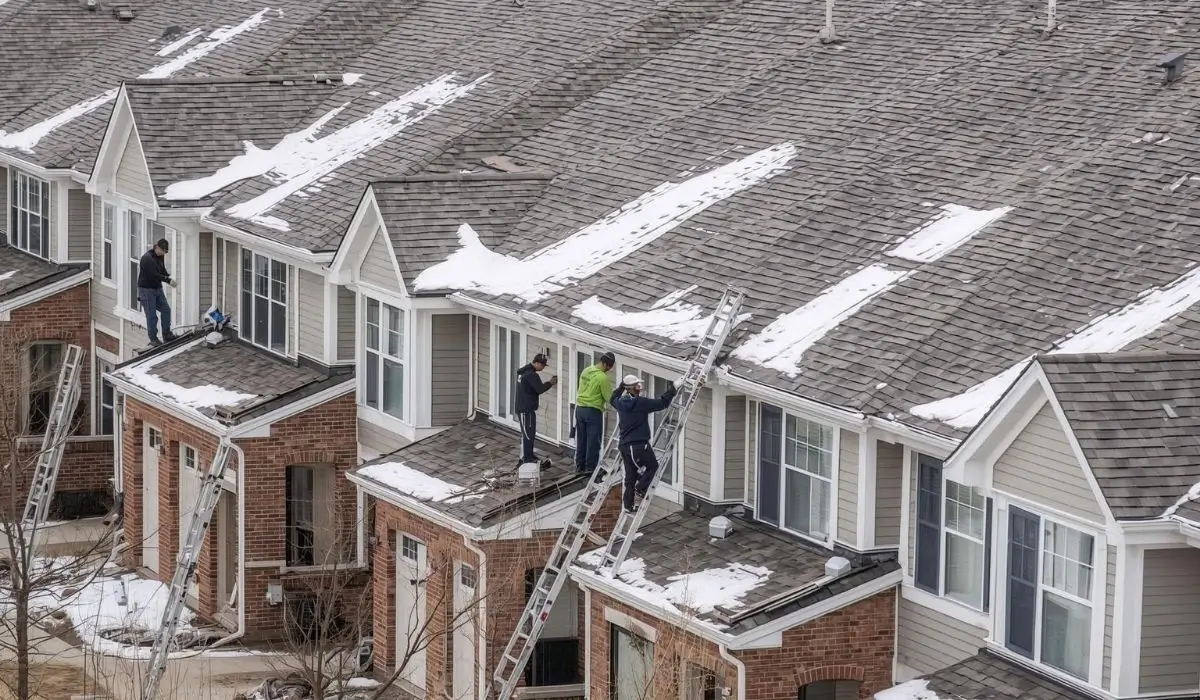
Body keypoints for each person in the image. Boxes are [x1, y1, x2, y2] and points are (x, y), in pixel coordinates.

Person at [611, 374, 680, 513]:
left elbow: (612, 398)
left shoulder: (620, 402)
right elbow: (662, 403)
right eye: (637, 386)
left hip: (624, 446)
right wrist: (673, 388)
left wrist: (621, 386)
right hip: (638, 445)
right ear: (632, 389)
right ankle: (640, 490)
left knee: (630, 476)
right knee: (652, 467)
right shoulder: (640, 403)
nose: (640, 388)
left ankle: (628, 505)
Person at [573, 351, 616, 473]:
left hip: (580, 409)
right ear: (606, 364)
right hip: (593, 411)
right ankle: (590, 468)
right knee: (593, 440)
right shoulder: (602, 378)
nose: (608, 370)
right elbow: (609, 398)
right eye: (609, 367)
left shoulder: (586, 371)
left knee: (581, 439)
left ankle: (579, 466)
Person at [515, 353, 557, 465]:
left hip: (525, 408)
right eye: (542, 365)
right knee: (528, 434)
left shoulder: (523, 372)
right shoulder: (531, 375)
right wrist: (551, 382)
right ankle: (527, 459)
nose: (543, 368)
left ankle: (529, 455)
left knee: (530, 433)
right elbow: (540, 389)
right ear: (537, 363)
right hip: (525, 410)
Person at [138, 238, 177, 347]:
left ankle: (166, 334)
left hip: (157, 289)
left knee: (166, 310)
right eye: (163, 251)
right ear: (157, 247)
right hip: (146, 290)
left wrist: (169, 276)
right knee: (151, 315)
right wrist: (168, 280)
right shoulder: (147, 259)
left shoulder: (160, 257)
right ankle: (153, 339)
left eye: (165, 252)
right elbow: (154, 275)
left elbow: (162, 270)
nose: (163, 253)